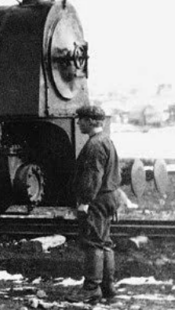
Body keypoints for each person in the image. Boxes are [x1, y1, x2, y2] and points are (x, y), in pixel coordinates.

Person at [67, 105, 120, 304]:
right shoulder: (107, 140)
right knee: (105, 242)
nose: (78, 122)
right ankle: (108, 286)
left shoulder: (94, 145)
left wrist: (85, 201)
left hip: (96, 199)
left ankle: (91, 288)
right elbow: (116, 173)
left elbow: (92, 176)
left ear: (90, 121)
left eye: (81, 119)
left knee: (92, 242)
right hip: (108, 196)